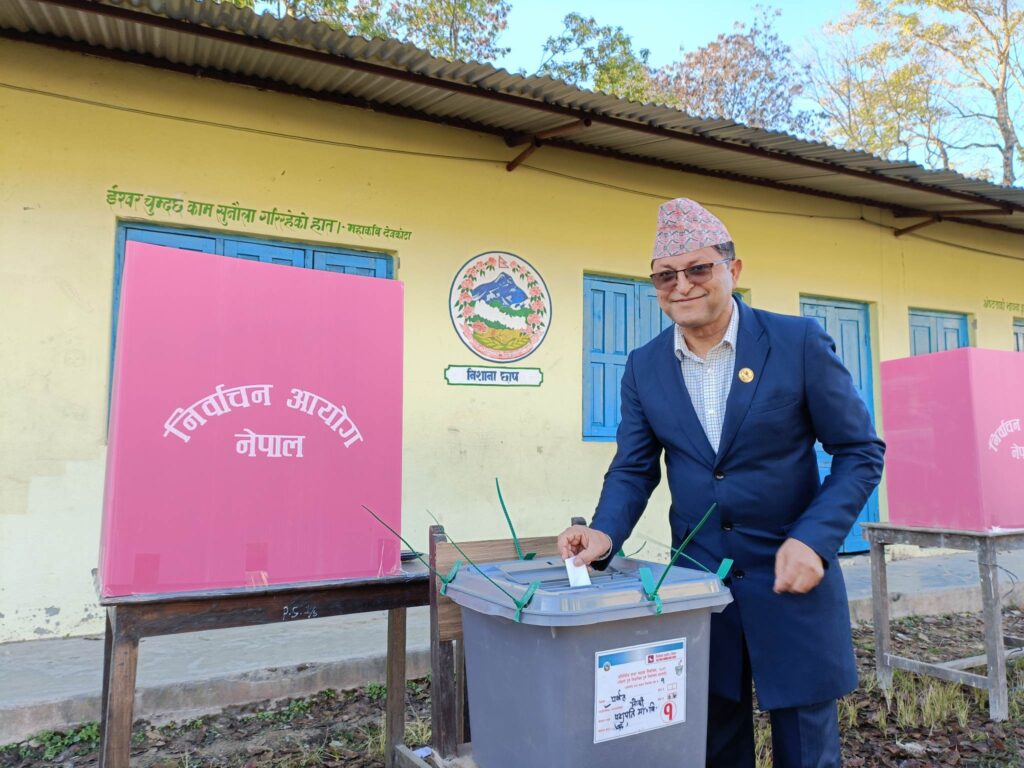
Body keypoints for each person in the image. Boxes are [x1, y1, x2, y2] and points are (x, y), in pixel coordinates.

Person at [558, 198, 885, 768]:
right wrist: (606, 533)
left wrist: (814, 539)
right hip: (699, 588)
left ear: (733, 269)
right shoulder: (644, 365)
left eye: (698, 268)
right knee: (712, 744)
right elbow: (635, 467)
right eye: (666, 275)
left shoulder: (797, 343)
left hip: (792, 579)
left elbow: (859, 451)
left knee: (807, 750)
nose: (682, 285)